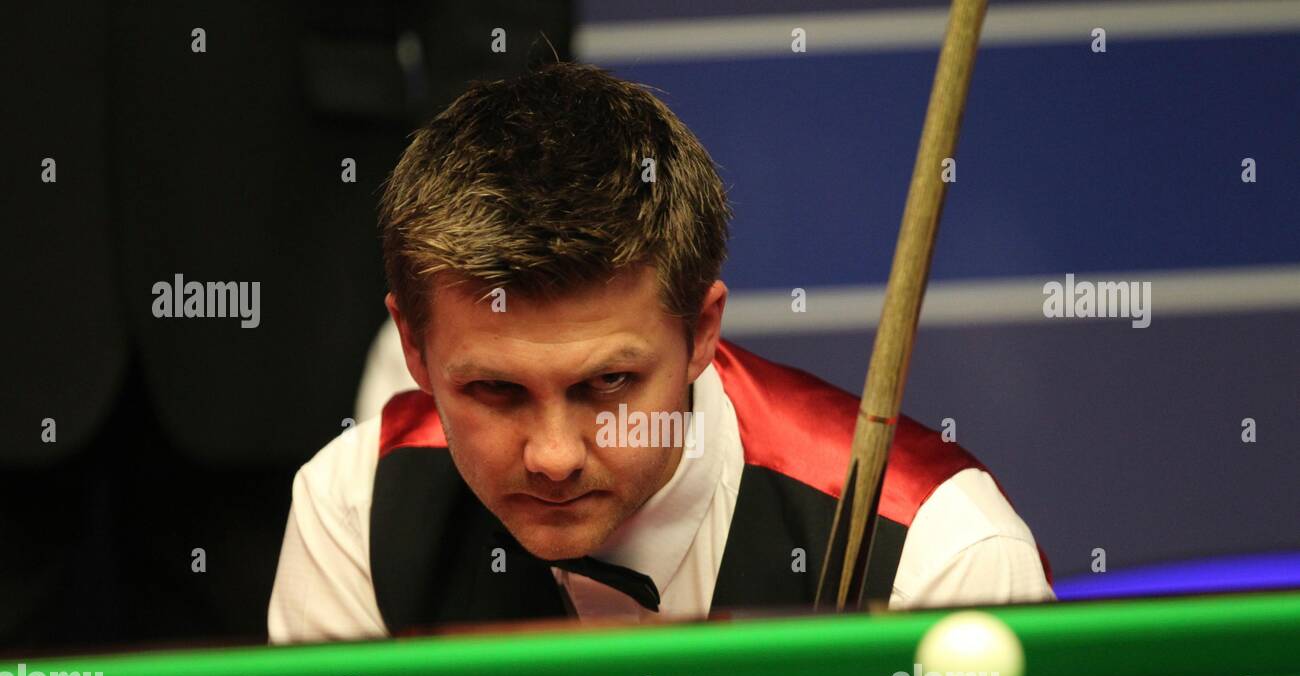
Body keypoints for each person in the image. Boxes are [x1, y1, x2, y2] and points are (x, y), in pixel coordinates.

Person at [268, 62, 1053, 644]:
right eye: (495, 390)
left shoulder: (936, 553)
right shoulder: (354, 512)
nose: (552, 456)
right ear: (412, 345)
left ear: (702, 333)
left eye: (609, 382)